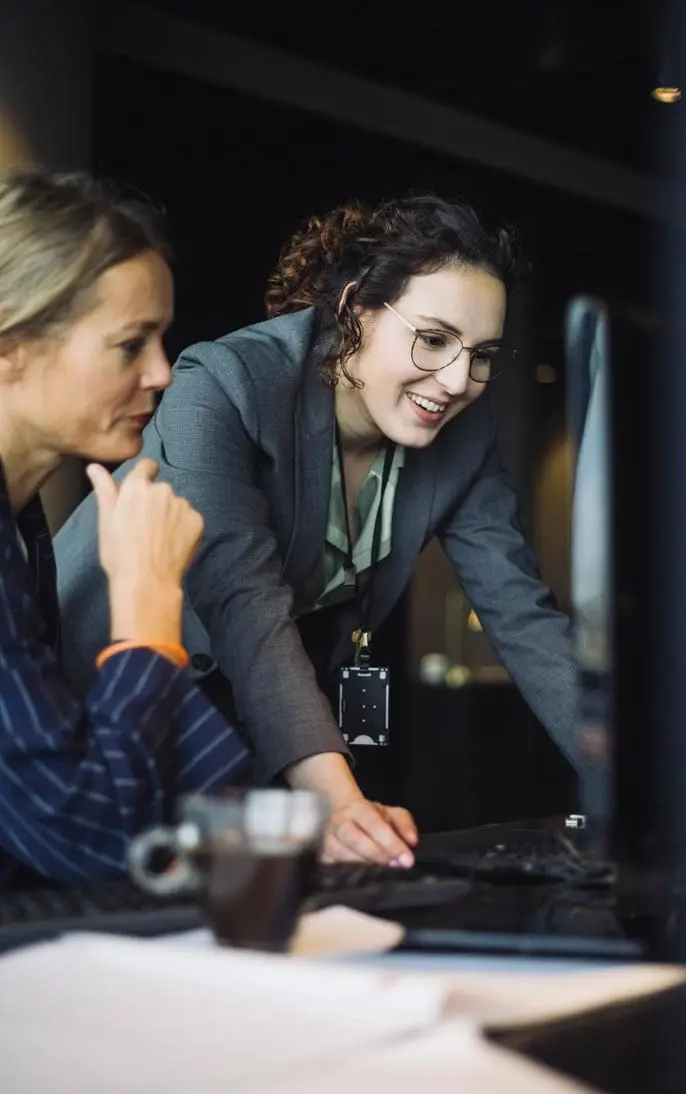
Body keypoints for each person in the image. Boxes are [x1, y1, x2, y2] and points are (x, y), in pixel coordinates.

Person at [55, 193, 578, 867]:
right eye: (434, 339)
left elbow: (523, 617)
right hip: (96, 702)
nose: (456, 381)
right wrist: (338, 802)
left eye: (482, 354)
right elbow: (244, 601)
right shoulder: (225, 381)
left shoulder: (465, 435)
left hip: (242, 724)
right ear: (356, 308)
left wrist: (634, 779)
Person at [0, 169, 257, 887]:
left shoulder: (22, 520)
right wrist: (148, 609)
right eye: (129, 345)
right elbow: (91, 835)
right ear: (11, 342)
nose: (163, 374)